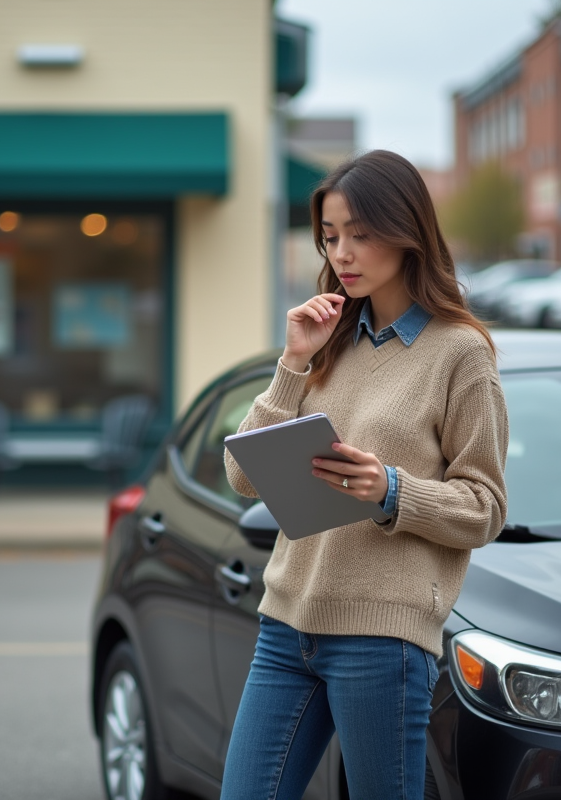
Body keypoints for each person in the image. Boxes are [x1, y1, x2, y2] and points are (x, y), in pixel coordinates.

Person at [221, 150, 508, 799]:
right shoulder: (327, 338)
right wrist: (293, 362)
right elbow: (242, 473)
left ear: (406, 231)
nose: (342, 252)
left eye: (360, 233)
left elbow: (484, 506)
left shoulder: (460, 354)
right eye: (330, 237)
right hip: (287, 625)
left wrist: (390, 490)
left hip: (382, 639)